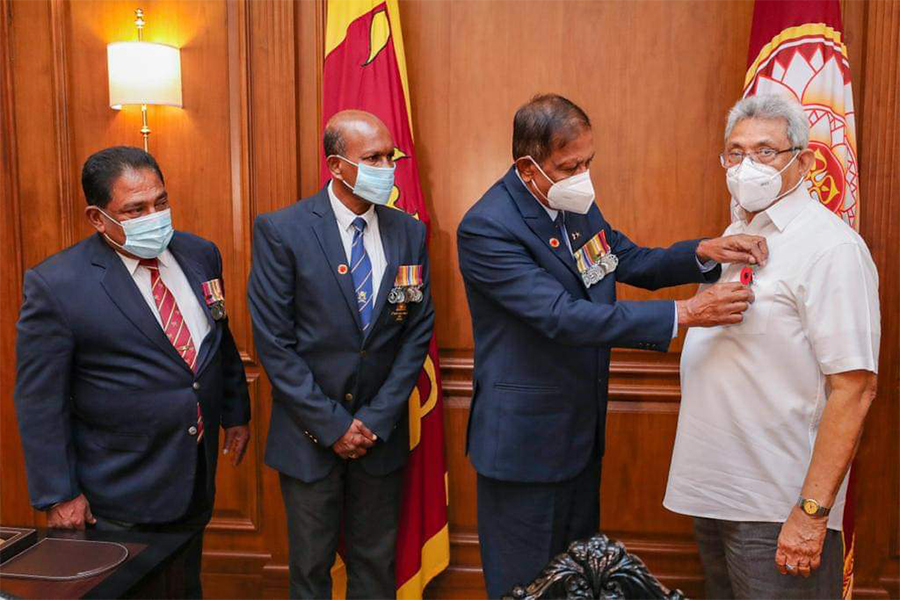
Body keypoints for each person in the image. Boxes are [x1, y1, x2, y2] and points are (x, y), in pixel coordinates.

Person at [457, 93, 766, 598]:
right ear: (527, 167)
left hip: (579, 439)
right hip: (524, 449)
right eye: (570, 165)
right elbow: (560, 316)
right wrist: (683, 314)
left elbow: (623, 259)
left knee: (579, 585)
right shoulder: (488, 228)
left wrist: (702, 255)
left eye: (588, 162)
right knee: (524, 589)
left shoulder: (570, 202)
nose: (583, 176)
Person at [664, 94, 880, 599]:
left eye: (765, 152)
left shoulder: (831, 248)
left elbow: (855, 388)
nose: (746, 167)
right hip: (715, 496)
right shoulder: (736, 233)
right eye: (735, 153)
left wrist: (810, 514)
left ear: (802, 161)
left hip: (777, 508)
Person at [14, 146, 251, 598]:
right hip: (118, 490)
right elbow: (39, 399)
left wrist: (235, 410)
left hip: (192, 476)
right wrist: (58, 494)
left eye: (160, 202)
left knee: (184, 588)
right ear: (98, 218)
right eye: (135, 209)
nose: (154, 217)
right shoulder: (57, 285)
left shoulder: (200, 254)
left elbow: (219, 338)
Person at [248, 110, 434, 599]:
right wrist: (332, 426)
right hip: (309, 439)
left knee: (375, 570)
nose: (386, 166)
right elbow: (275, 342)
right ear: (336, 165)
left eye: (389, 156)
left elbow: (415, 333)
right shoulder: (282, 230)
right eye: (372, 157)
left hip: (380, 436)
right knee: (310, 573)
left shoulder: (408, 232)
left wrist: (373, 420)